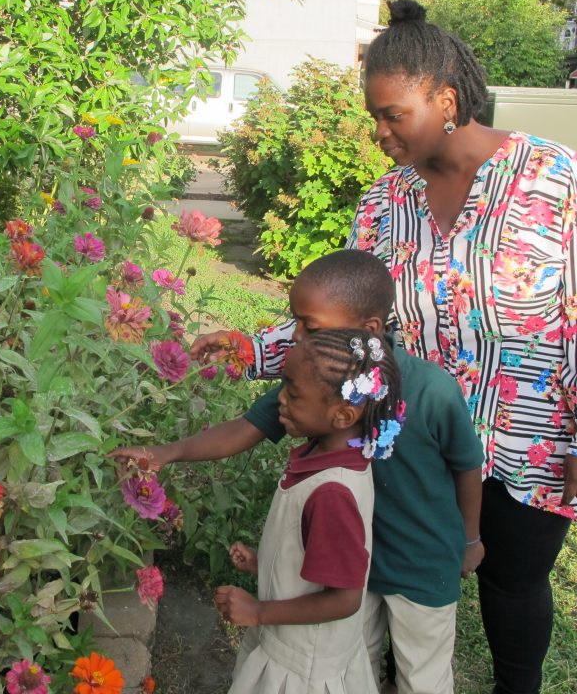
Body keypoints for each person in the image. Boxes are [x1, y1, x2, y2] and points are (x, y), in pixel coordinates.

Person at [194, 0, 577, 694]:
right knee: (409, 577)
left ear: (447, 100)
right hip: (414, 437)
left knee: (512, 585)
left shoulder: (558, 180)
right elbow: (345, 314)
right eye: (373, 115)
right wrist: (251, 348)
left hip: (532, 438)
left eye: (391, 114)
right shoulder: (384, 203)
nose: (377, 132)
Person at [115, 250, 484, 694]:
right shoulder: (313, 386)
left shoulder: (428, 389)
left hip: (424, 565)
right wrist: (166, 452)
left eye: (309, 324)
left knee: (422, 677)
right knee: (353, 664)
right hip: (351, 563)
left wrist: (471, 540)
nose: (297, 335)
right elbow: (246, 428)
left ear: (368, 328)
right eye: (296, 323)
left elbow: (467, 467)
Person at [219, 328, 402, 694]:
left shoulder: (332, 493)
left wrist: (258, 612)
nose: (281, 400)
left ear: (342, 414)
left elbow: (344, 598)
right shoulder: (331, 456)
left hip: (303, 671)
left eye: (294, 393)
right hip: (297, 652)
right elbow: (319, 553)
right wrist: (267, 561)